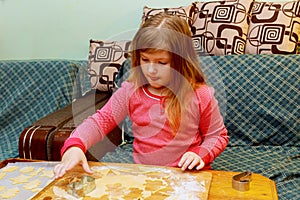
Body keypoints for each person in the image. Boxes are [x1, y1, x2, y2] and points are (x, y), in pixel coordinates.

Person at [54, 13, 228, 179]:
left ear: (181, 61)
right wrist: (75, 145)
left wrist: (199, 154)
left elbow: (217, 135)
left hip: (188, 177)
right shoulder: (131, 90)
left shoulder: (200, 94)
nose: (151, 70)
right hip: (146, 176)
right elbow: (102, 121)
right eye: (145, 60)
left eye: (161, 62)